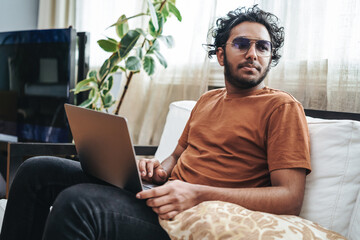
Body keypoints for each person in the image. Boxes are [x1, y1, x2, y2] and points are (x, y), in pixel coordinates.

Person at [0, 5, 311, 240]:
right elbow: (176, 157)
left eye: (263, 47)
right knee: (35, 170)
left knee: (77, 203)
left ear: (271, 57)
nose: (253, 54)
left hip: (190, 214)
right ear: (220, 54)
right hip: (161, 193)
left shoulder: (281, 107)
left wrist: (196, 193)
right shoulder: (207, 100)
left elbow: (290, 197)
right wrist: (157, 168)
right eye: (242, 44)